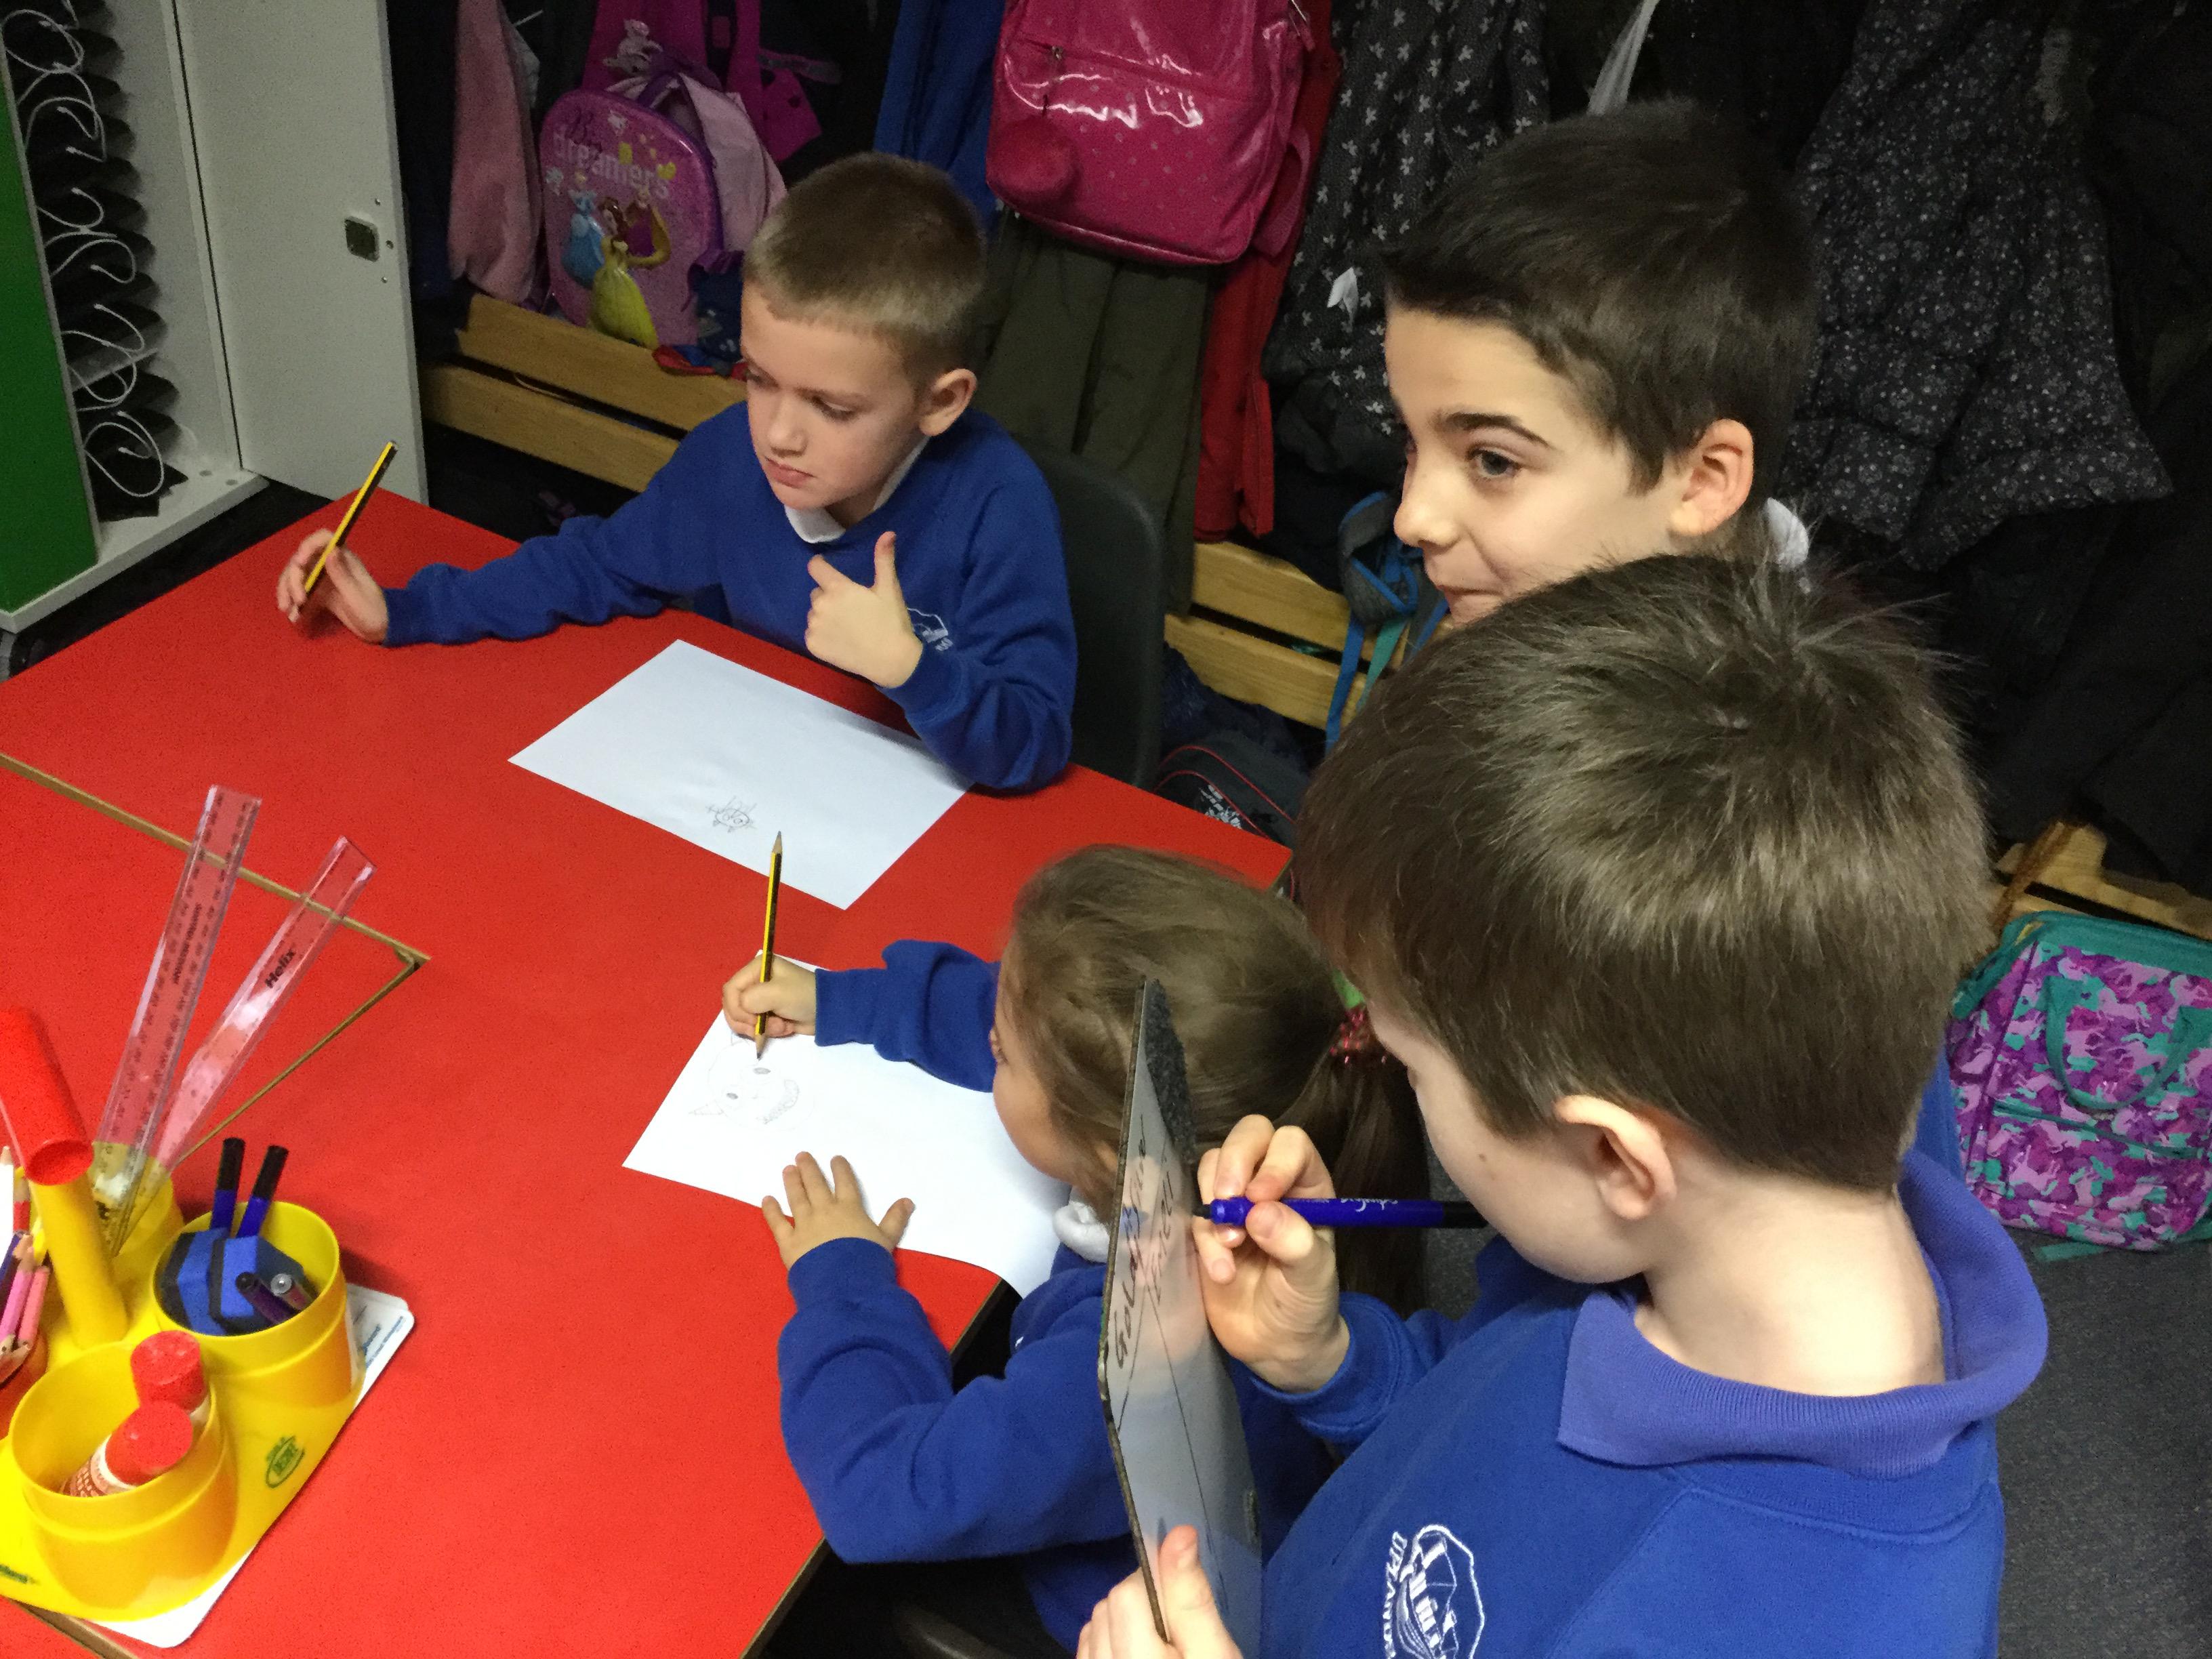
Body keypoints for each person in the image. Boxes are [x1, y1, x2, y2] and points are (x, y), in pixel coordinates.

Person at [1115, 557, 2048, 1656]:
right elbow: (1486, 1441)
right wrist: (1333, 1359)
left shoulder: (1818, 1622)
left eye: (1410, 1066)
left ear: (1612, 1156)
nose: (1400, 1088)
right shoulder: (1681, 1239)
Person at [731, 847, 1425, 1654]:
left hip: (1095, 1611)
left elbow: (883, 1494)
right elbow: (1044, 1028)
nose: (990, 1035)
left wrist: (844, 1284)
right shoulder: (1262, 1099)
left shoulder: (1128, 1357)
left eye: (1001, 1054)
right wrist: (840, 1002)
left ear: (1106, 1148)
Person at [275, 155, 1076, 791]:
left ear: (940, 403)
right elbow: (600, 565)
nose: (779, 435)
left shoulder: (998, 506)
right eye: (759, 379)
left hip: (908, 825)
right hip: (746, 788)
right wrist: (407, 610)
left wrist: (912, 670)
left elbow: (1036, 744)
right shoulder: (730, 458)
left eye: (832, 408)